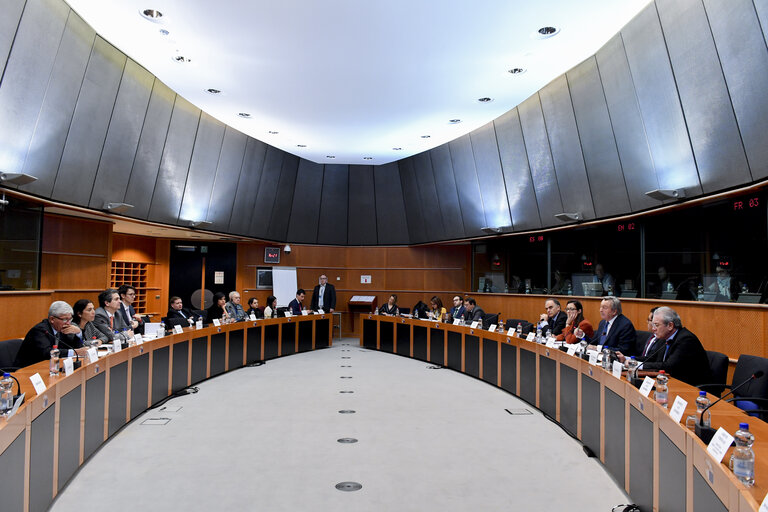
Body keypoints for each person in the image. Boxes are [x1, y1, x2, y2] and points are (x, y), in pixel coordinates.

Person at [617, 307, 712, 387]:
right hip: (668, 382)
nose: (653, 329)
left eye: (657, 325)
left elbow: (669, 366)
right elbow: (652, 358)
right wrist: (627, 359)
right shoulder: (664, 337)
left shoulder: (686, 339)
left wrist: (636, 365)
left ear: (670, 325)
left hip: (691, 387)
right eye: (653, 325)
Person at [13, 301, 85, 368]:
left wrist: (78, 333)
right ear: (52, 319)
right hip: (28, 370)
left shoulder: (61, 329)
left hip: (50, 367)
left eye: (70, 319)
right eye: (65, 319)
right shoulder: (40, 330)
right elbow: (47, 353)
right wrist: (75, 352)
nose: (68, 323)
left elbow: (73, 347)